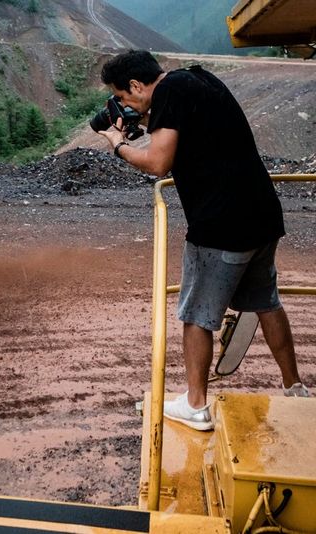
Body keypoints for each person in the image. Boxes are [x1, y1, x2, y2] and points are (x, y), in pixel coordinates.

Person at [95, 50, 309, 431]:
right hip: (260, 216)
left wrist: (117, 143)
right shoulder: (196, 79)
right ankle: (295, 388)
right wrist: (145, 121)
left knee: (197, 316)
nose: (125, 107)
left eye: (125, 99)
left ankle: (195, 404)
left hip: (221, 225)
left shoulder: (169, 95)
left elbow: (159, 163)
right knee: (266, 302)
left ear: (136, 85)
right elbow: (199, 138)